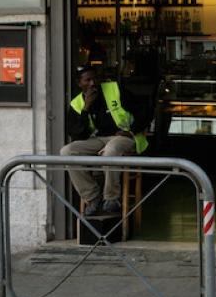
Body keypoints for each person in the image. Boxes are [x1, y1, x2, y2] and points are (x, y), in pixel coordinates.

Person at [60, 65, 149, 216]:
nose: (92, 83)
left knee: (110, 150)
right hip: (98, 139)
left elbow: (144, 111)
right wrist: (86, 108)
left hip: (124, 137)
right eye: (87, 80)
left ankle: (112, 198)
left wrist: (132, 131)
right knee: (67, 151)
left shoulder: (114, 89)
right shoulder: (77, 103)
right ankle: (92, 197)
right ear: (79, 83)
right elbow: (77, 134)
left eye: (94, 79)